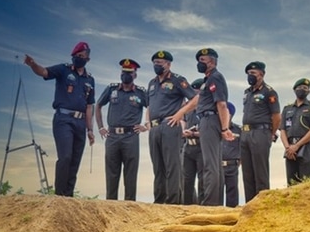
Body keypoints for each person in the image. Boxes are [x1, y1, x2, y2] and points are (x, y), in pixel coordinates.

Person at [23, 42, 95, 197]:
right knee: (66, 156)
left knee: (75, 159)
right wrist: (32, 65)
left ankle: (69, 196)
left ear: (87, 58)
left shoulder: (90, 80)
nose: (79, 58)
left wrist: (90, 130)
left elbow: (89, 106)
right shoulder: (64, 69)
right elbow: (44, 72)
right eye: (77, 56)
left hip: (81, 122)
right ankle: (60, 195)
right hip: (63, 119)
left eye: (82, 56)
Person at [145, 50, 198, 204]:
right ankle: (159, 201)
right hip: (154, 128)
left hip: (170, 125)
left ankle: (173, 202)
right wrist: (147, 122)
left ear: (168, 64)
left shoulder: (177, 80)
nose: (157, 66)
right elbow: (149, 106)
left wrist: (179, 114)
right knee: (158, 166)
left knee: (172, 166)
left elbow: (195, 99)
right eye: (155, 63)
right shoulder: (152, 83)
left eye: (160, 63)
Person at [95, 58, 147, 200]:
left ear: (135, 75)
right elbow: (98, 105)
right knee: (111, 173)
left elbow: (152, 108)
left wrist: (146, 125)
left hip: (131, 137)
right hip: (112, 136)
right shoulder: (111, 89)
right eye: (124, 72)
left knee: (130, 174)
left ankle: (130, 205)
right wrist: (100, 127)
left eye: (129, 72)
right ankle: (111, 205)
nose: (126, 75)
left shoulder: (141, 93)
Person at [195, 48, 233, 206]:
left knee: (210, 164)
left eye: (203, 60)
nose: (199, 63)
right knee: (214, 163)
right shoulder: (208, 79)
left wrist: (225, 129)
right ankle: (214, 201)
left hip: (211, 120)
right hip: (207, 121)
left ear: (212, 62)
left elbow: (222, 104)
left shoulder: (215, 78)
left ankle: (210, 203)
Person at [241, 61, 281, 202]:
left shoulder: (269, 92)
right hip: (245, 134)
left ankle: (263, 205)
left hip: (261, 133)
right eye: (248, 74)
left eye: (253, 73)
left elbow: (276, 116)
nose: (250, 76)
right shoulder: (247, 92)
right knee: (247, 172)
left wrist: (271, 133)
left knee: (260, 172)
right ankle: (249, 205)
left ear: (261, 74)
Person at [280, 78, 310, 185]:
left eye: (305, 88)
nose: (302, 90)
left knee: (307, 183)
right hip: (290, 149)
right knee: (292, 183)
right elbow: (283, 130)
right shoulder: (287, 109)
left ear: (309, 91)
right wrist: (288, 147)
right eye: (299, 88)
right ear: (294, 90)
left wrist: (297, 145)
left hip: (306, 147)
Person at [182, 78, 205, 205]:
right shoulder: (188, 109)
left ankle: (202, 206)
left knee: (202, 180)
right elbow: (183, 123)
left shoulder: (207, 110)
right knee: (187, 180)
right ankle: (187, 206)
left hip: (201, 147)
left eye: (196, 93)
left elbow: (210, 133)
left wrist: (194, 133)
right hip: (188, 148)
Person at [222, 102, 241, 207]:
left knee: (232, 196)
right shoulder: (215, 129)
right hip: (217, 167)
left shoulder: (239, 130)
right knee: (215, 196)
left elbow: (243, 148)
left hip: (232, 166)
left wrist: (238, 161)